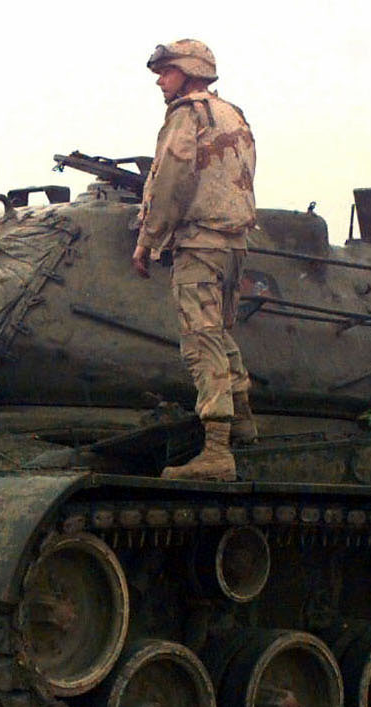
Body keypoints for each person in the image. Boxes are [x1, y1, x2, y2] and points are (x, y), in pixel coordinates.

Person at [132, 39, 257, 482]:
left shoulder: (188, 115)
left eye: (166, 73)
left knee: (200, 341)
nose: (161, 82)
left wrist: (149, 238)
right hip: (234, 244)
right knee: (220, 334)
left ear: (187, 71)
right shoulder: (232, 114)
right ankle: (242, 420)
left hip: (200, 244)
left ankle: (218, 452)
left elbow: (171, 180)